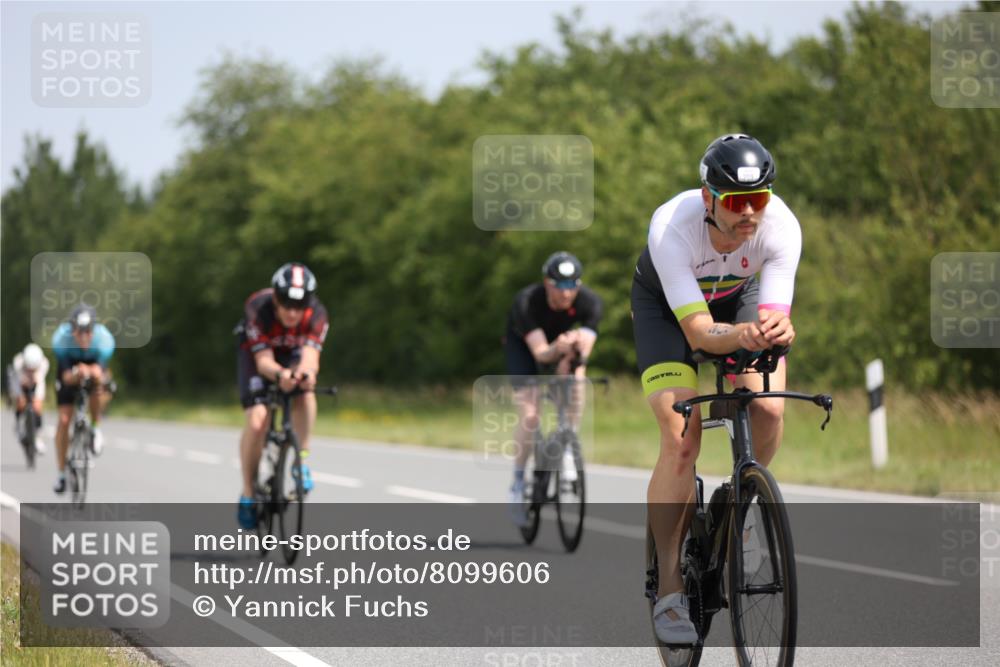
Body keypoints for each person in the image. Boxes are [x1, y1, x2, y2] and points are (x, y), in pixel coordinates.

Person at [631, 134, 800, 644]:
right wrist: (737, 336)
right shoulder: (672, 229)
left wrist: (777, 331)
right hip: (670, 310)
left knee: (768, 407)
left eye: (759, 199)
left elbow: (770, 316)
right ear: (709, 198)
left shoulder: (782, 228)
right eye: (736, 202)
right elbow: (701, 336)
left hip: (738, 296)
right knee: (683, 434)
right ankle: (669, 582)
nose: (750, 213)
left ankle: (743, 505)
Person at [503, 251, 603, 525]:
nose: (566, 293)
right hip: (527, 348)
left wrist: (571, 353)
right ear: (547, 283)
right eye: (560, 286)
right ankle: (518, 482)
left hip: (560, 346)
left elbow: (584, 353)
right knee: (530, 415)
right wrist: (557, 348)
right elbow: (540, 354)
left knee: (576, 373)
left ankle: (568, 441)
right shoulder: (527, 302)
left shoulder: (590, 303)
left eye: (572, 286)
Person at [235, 262, 329, 529]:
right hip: (257, 356)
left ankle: (302, 462)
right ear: (275, 298)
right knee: (257, 421)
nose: (292, 312)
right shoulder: (258, 309)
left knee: (306, 390)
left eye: (299, 306)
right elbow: (264, 362)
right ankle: (248, 493)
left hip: (292, 352)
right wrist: (280, 376)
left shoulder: (317, 314)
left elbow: (311, 358)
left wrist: (304, 375)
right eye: (286, 304)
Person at [51, 304, 116, 494]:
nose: (83, 336)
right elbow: (65, 376)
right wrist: (76, 374)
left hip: (94, 366)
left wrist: (92, 372)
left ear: (94, 330)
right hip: (70, 369)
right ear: (72, 330)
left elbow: (101, 372)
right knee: (64, 420)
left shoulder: (104, 340)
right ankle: (61, 475)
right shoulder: (61, 340)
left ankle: (95, 428)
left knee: (98, 387)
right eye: (79, 331)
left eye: (88, 331)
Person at [7, 343, 49, 455]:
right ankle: (18, 424)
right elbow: (19, 382)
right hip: (19, 381)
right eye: (28, 368)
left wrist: (33, 379)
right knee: (21, 402)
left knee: (37, 406)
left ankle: (38, 435)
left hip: (37, 382)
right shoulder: (18, 362)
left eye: (33, 368)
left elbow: (39, 380)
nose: (31, 370)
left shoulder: (44, 363)